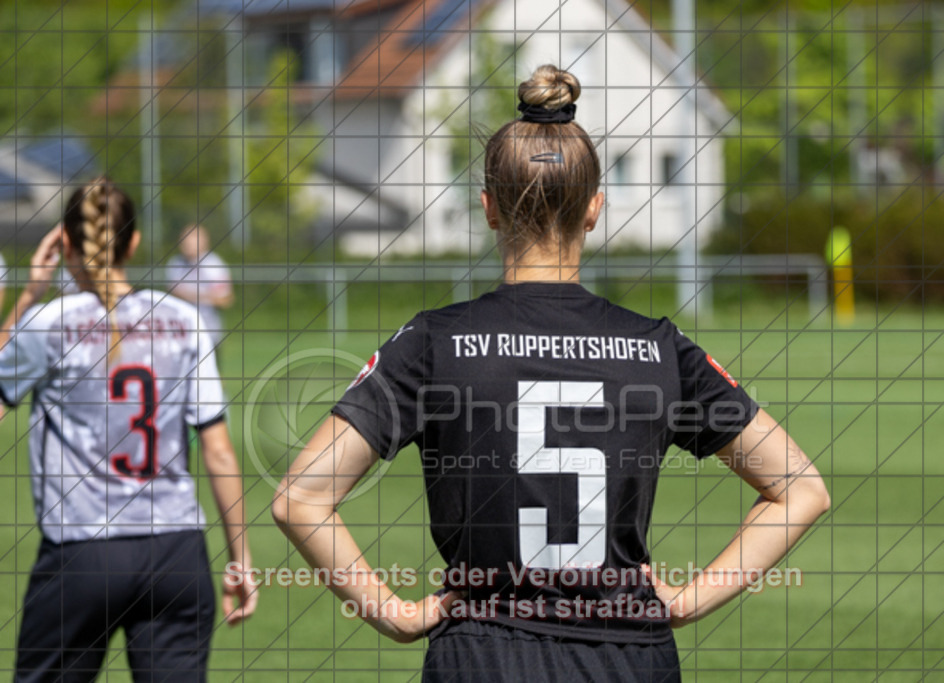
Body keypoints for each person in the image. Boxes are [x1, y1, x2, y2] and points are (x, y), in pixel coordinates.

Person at [272, 66, 830, 682]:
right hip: (628, 659)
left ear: (488, 208)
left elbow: (301, 498)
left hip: (483, 657)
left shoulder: (434, 343)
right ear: (594, 209)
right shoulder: (660, 349)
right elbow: (801, 488)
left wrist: (392, 613)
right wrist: (692, 598)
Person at [0, 178, 258, 681]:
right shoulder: (185, 321)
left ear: (66, 245)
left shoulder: (47, 323)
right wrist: (240, 558)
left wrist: (29, 294)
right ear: (134, 243)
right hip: (177, 552)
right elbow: (219, 452)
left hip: (83, 551)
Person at [166, 223, 234, 344]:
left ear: (203, 241)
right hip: (180, 333)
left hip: (208, 333)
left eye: (191, 239)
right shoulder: (175, 263)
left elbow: (225, 300)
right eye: (184, 239)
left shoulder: (214, 265)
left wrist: (191, 295)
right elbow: (172, 294)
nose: (186, 244)